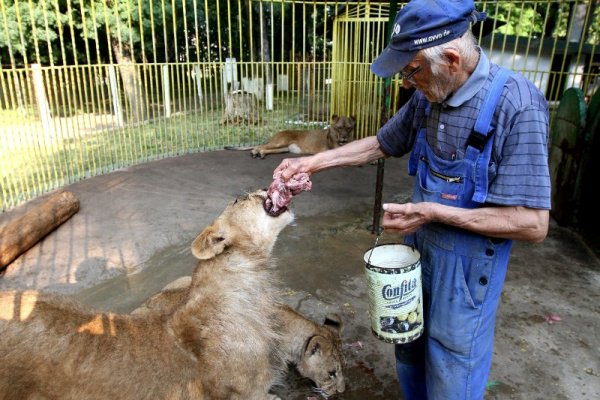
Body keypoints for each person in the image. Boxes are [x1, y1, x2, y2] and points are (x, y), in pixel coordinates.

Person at [272, 0, 551, 399]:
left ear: (451, 59)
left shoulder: (517, 105)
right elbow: (382, 143)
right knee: (411, 349)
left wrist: (433, 212)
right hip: (419, 255)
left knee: (451, 365)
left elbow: (532, 223)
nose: (405, 83)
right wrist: (313, 163)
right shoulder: (429, 95)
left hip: (468, 275)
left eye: (410, 70)